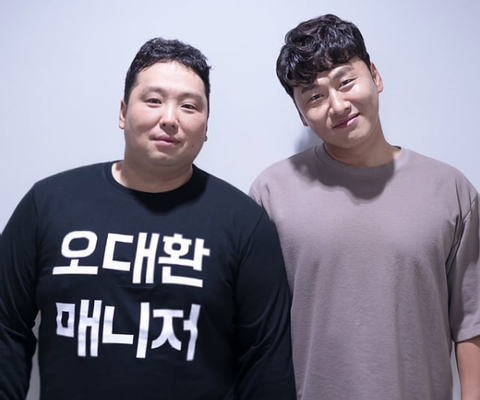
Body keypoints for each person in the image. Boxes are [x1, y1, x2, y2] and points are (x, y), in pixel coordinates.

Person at [0, 38, 296, 400]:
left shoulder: (245, 224)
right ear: (123, 112)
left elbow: (266, 362)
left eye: (189, 106)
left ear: (206, 126)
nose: (169, 119)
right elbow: (6, 326)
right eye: (153, 100)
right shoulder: (48, 203)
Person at [250, 14, 480, 400]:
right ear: (301, 114)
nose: (338, 105)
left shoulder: (450, 190)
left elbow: (471, 323)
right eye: (315, 96)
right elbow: (258, 331)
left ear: (375, 75)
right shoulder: (271, 193)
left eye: (346, 82)